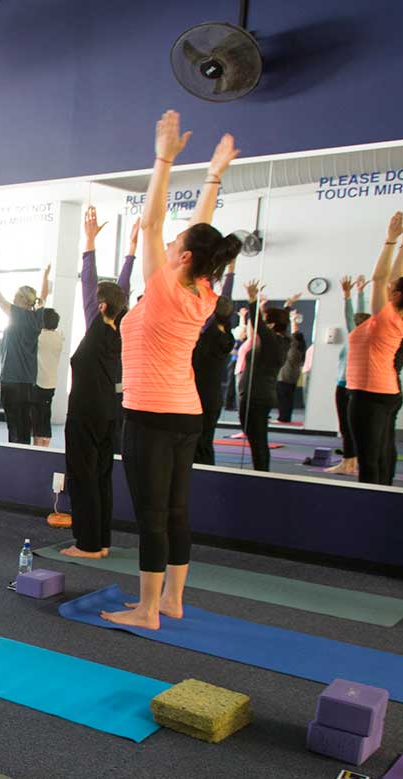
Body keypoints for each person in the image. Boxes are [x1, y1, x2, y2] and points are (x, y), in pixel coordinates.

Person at [102, 110, 241, 631]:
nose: (169, 244)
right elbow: (197, 234)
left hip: (150, 414)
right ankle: (174, 600)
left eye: (176, 247)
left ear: (180, 258)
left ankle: (146, 610)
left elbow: (155, 221)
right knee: (177, 510)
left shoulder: (163, 288)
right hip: (186, 415)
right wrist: (212, 175)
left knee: (151, 515)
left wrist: (164, 159)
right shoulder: (205, 291)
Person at [61, 207, 132, 559]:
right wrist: (130, 252)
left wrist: (89, 245)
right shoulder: (122, 328)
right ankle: (100, 541)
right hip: (110, 412)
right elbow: (120, 290)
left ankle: (87, 544)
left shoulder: (99, 326)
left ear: (101, 306)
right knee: (102, 475)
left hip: (87, 413)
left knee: (83, 475)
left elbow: (93, 289)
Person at [347, 212, 403, 486]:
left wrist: (390, 241)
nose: (387, 288)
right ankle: (384, 494)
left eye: (392, 289)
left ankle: (372, 502)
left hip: (369, 394)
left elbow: (380, 278)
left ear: (395, 296)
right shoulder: (402, 316)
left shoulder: (387, 319)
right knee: (382, 452)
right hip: (385, 392)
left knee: (370, 457)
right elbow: (393, 279)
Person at [0, 259, 50, 444]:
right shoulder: (37, 317)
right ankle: (22, 456)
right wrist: (45, 277)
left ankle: (17, 457)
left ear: (20, 300)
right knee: (23, 425)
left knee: (14, 426)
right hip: (27, 381)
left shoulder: (18, 314)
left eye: (16, 297)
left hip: (12, 379)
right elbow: (44, 296)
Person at [237, 283, 289, 473]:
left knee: (257, 437)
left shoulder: (272, 342)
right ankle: (261, 469)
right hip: (258, 394)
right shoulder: (282, 340)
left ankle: (261, 471)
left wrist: (252, 299)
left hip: (256, 395)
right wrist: (288, 306)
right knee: (256, 436)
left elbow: (258, 324)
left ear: (272, 325)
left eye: (268, 321)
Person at [190, 268, 237, 466]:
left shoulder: (209, 337)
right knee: (205, 441)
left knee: (199, 442)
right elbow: (223, 302)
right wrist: (229, 273)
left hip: (200, 395)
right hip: (212, 395)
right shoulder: (227, 336)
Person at [328, 274, 370, 476]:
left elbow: (352, 317)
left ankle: (348, 463)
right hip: (355, 386)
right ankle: (352, 462)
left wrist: (347, 295)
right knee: (351, 427)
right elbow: (361, 315)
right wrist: (360, 291)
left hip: (345, 385)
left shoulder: (357, 336)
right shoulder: (369, 337)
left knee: (346, 426)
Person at [33, 301, 63, 445]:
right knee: (46, 413)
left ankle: (37, 444)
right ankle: (45, 443)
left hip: (39, 382)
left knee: (36, 415)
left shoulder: (40, 337)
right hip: (51, 382)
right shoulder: (59, 337)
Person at [277, 324, 307, 424]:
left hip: (286, 375)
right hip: (292, 375)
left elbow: (292, 338)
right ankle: (285, 417)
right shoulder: (300, 349)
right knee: (287, 397)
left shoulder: (293, 349)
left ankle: (283, 417)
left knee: (284, 398)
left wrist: (292, 322)